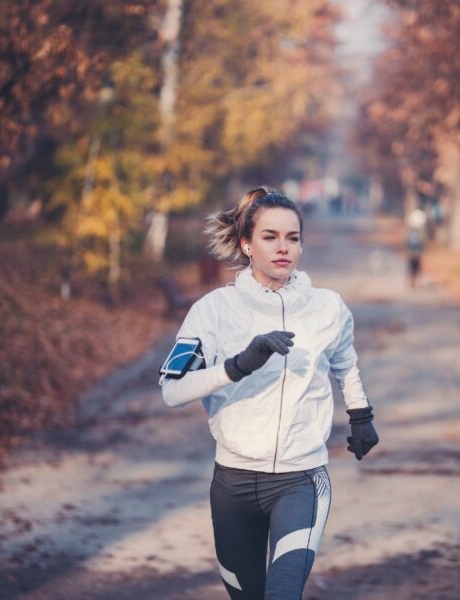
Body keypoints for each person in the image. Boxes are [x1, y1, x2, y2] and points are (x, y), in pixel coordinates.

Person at [159, 186, 379, 599]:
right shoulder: (213, 311)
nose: (284, 248)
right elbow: (172, 392)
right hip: (233, 486)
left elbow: (345, 363)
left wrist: (361, 415)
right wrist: (236, 366)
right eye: (270, 237)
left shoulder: (327, 308)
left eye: (292, 238)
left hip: (301, 480)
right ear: (246, 243)